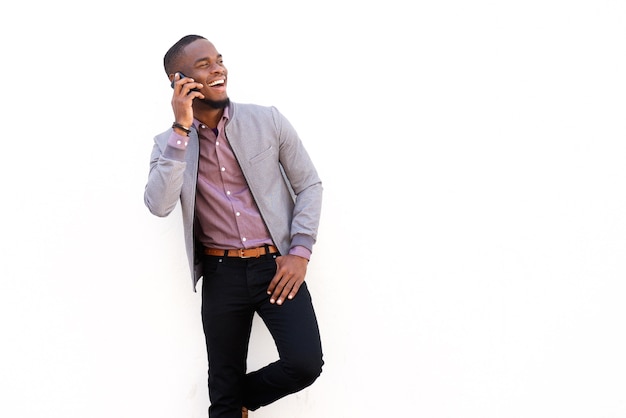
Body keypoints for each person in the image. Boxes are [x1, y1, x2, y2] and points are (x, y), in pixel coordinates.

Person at [144, 34, 324, 418]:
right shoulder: (168, 143)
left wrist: (300, 252)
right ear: (180, 81)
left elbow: (309, 183)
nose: (218, 68)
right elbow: (158, 205)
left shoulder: (267, 119)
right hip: (221, 274)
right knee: (222, 384)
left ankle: (232, 399)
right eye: (204, 64)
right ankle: (226, 401)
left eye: (219, 60)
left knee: (305, 363)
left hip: (275, 267)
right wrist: (181, 129)